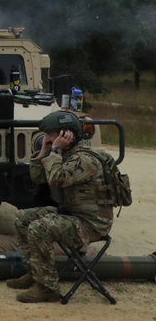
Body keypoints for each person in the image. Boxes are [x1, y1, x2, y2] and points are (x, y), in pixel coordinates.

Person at [6, 111, 114, 302]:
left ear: (67, 135)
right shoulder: (64, 155)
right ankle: (35, 272)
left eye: (50, 134)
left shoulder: (84, 160)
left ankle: (47, 288)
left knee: (39, 228)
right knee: (22, 218)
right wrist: (44, 152)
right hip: (73, 214)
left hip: (91, 223)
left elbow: (57, 179)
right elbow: (37, 178)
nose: (46, 138)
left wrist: (55, 152)